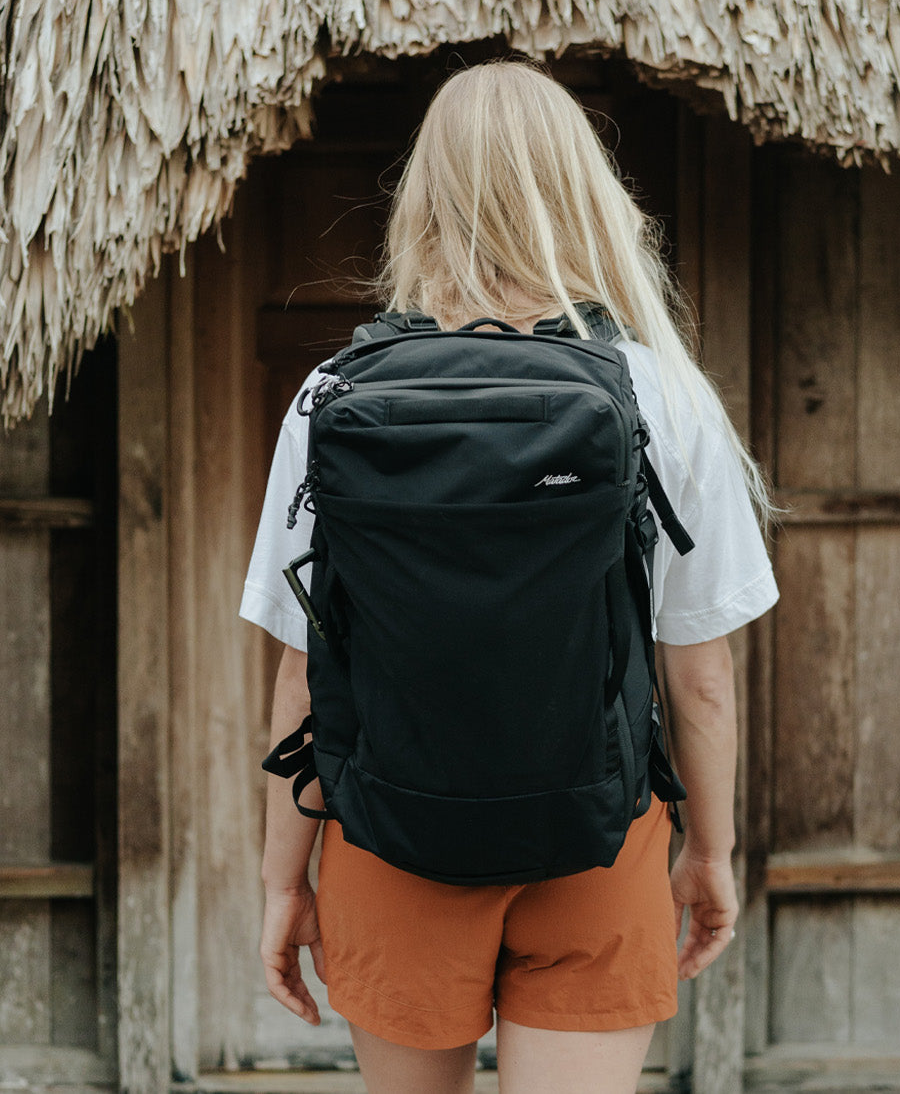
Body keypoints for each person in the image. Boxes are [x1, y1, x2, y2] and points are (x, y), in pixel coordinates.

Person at [240, 60, 778, 1094]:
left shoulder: (332, 395)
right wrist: (709, 853)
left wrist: (282, 881)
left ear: (423, 198)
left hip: (390, 839)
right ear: (587, 191)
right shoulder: (658, 390)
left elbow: (303, 668)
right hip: (599, 841)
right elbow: (698, 676)